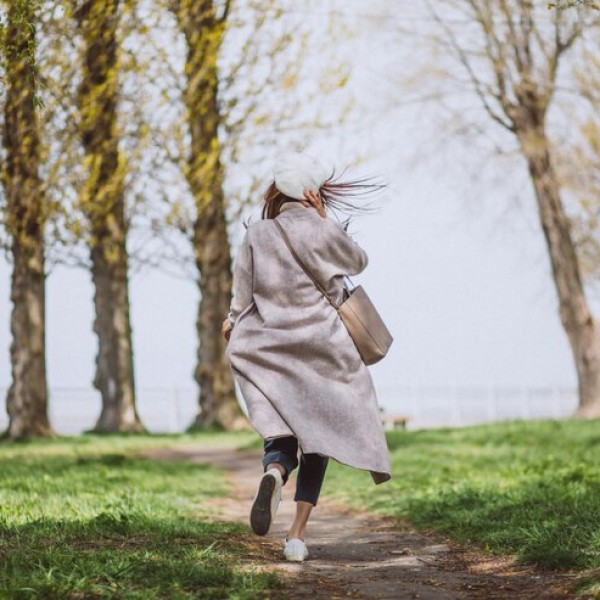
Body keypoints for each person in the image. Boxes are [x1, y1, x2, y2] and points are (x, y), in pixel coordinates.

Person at [222, 152, 392, 562]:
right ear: (315, 193)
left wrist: (230, 321)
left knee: (282, 432)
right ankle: (296, 535)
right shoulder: (321, 228)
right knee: (319, 439)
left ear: (277, 191)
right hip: (324, 348)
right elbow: (359, 261)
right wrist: (325, 224)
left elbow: (242, 295)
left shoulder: (257, 235)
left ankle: (275, 472)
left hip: (270, 345)